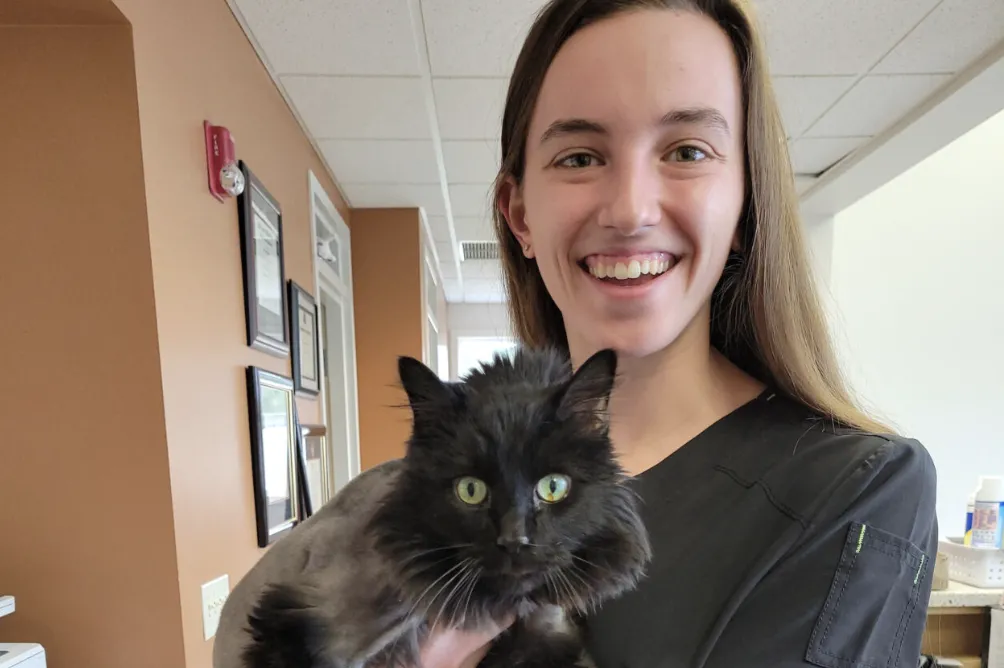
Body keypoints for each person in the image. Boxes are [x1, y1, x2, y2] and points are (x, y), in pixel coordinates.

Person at [418, 0, 939, 667]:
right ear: (519, 215)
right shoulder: (434, 489)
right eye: (579, 157)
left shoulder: (853, 493)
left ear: (747, 207)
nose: (631, 210)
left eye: (687, 151)